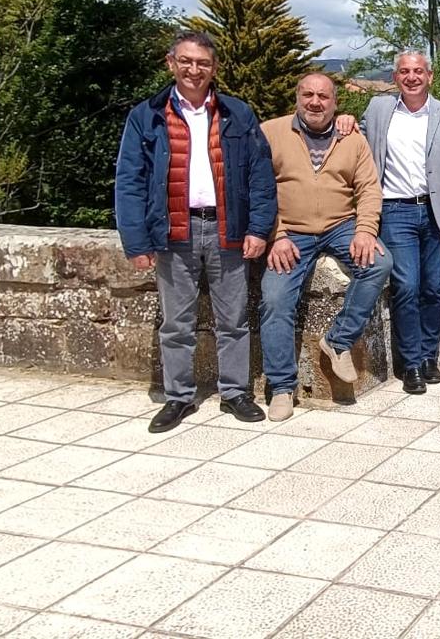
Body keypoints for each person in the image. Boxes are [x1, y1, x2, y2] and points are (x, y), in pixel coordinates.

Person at [115, 30, 276, 432]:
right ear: (171, 64)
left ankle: (236, 392)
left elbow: (260, 175)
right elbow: (129, 181)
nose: (194, 69)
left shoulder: (238, 113)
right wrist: (136, 240)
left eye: (202, 63)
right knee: (175, 323)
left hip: (227, 229)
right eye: (186, 61)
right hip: (174, 230)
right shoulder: (147, 116)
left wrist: (259, 227)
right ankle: (179, 397)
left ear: (214, 68)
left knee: (234, 320)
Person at [258, 74, 392, 420]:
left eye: (323, 96)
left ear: (335, 103)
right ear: (297, 97)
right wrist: (275, 234)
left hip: (340, 226)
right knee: (274, 299)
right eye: (308, 95)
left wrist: (364, 230)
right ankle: (282, 387)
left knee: (379, 263)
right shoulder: (271, 132)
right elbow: (255, 188)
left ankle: (338, 340)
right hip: (291, 232)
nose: (315, 102)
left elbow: (368, 189)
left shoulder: (351, 137)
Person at [360, 51, 440, 394]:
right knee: (406, 286)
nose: (411, 77)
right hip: (394, 211)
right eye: (404, 72)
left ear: (430, 76)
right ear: (395, 78)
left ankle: (427, 357)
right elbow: (358, 144)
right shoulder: (379, 109)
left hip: (435, 214)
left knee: (433, 288)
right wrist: (347, 123)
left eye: (418, 71)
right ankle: (410, 364)